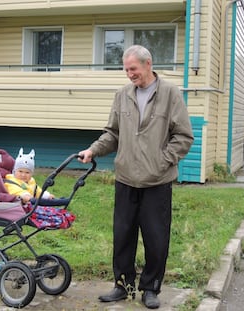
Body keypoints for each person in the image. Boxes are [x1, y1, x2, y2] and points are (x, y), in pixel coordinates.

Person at [78, 45, 194, 309]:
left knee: (156, 237)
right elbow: (113, 134)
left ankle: (150, 288)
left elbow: (184, 136)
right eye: (126, 69)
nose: (130, 74)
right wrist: (93, 150)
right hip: (126, 178)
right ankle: (123, 286)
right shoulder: (122, 95)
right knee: (123, 236)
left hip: (157, 181)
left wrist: (162, 161)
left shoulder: (170, 94)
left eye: (133, 69)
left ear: (148, 64)